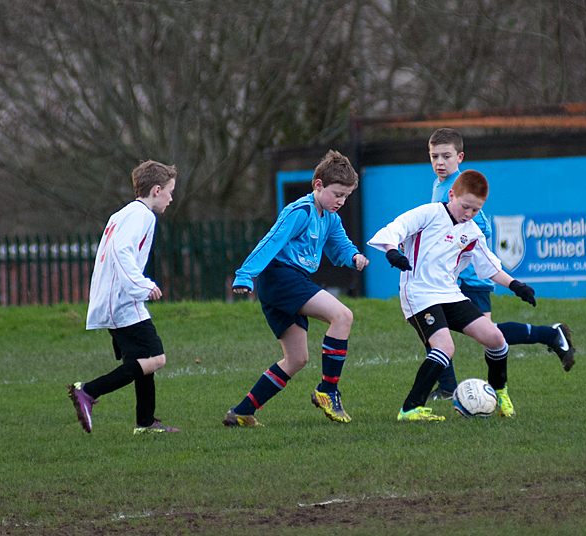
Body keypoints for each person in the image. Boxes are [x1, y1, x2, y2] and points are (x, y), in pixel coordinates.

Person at [369, 170, 545, 421]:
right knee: (444, 347)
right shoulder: (428, 214)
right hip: (419, 293)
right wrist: (391, 252)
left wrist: (516, 285)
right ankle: (410, 409)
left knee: (496, 338)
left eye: (476, 210)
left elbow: (490, 267)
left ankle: (499, 391)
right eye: (465, 207)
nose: (469, 214)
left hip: (450, 293)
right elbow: (395, 230)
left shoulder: (472, 231)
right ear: (451, 195)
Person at [425, 128, 576, 401]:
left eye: (446, 156)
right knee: (433, 326)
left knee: (485, 334)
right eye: (434, 156)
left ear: (459, 157)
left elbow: (477, 228)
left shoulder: (460, 186)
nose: (439, 162)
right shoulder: (440, 184)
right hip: (452, 278)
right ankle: (448, 386)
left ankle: (551, 335)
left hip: (469, 277)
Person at [223, 150, 369, 427]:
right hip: (281, 278)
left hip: (291, 280)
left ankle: (241, 412)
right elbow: (271, 241)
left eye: (346, 196)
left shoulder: (330, 218)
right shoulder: (299, 212)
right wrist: (244, 275)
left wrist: (353, 256)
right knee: (342, 316)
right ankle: (327, 391)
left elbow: (340, 245)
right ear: (318, 185)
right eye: (337, 194)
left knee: (297, 358)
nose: (341, 201)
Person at [68, 160, 180, 435]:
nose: (171, 197)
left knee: (143, 358)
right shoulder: (142, 215)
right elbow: (121, 251)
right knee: (156, 358)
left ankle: (145, 422)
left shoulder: (124, 213)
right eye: (169, 191)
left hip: (116, 299)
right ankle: (88, 391)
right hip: (123, 300)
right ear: (156, 190)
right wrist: (141, 285)